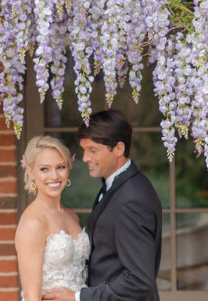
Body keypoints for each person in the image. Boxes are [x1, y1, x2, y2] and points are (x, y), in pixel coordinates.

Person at [44, 109, 162, 301]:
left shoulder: (132, 199)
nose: (85, 158)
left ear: (118, 149)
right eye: (84, 150)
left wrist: (79, 297)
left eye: (93, 150)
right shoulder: (117, 186)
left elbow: (138, 280)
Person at [16, 136, 90, 301]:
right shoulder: (32, 223)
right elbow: (31, 297)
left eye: (60, 167)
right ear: (30, 171)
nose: (54, 176)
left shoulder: (72, 216)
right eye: (44, 169)